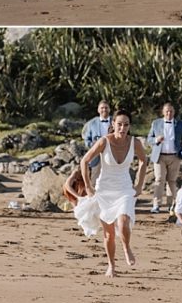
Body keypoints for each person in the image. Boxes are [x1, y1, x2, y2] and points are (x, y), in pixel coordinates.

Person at [81, 108, 147, 278]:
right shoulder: (104, 141)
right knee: (109, 234)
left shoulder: (135, 143)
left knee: (124, 221)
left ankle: (126, 247)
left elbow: (143, 161)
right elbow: (85, 161)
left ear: (129, 126)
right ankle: (111, 265)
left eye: (126, 125)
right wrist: (88, 186)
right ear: (113, 124)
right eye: (119, 124)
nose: (122, 128)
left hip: (124, 189)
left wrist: (139, 185)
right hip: (104, 190)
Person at [147, 102, 182, 213]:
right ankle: (156, 205)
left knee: (172, 181)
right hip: (159, 156)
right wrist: (156, 140)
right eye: (166, 111)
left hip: (174, 156)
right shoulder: (156, 123)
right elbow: (149, 139)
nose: (169, 113)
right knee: (159, 179)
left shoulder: (181, 124)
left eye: (171, 111)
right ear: (163, 112)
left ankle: (171, 205)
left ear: (174, 112)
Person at [63, 166, 102, 238]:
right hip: (70, 189)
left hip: (80, 187)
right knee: (77, 206)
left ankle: (81, 217)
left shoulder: (86, 177)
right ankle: (79, 217)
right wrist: (78, 197)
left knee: (84, 203)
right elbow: (67, 185)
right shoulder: (75, 173)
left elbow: (89, 188)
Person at [82, 100, 112, 183]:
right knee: (95, 177)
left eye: (106, 108)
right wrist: (92, 145)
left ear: (109, 109)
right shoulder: (92, 123)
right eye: (102, 108)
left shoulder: (115, 121)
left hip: (111, 153)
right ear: (98, 110)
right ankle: (95, 194)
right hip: (96, 154)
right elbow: (86, 139)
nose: (104, 110)